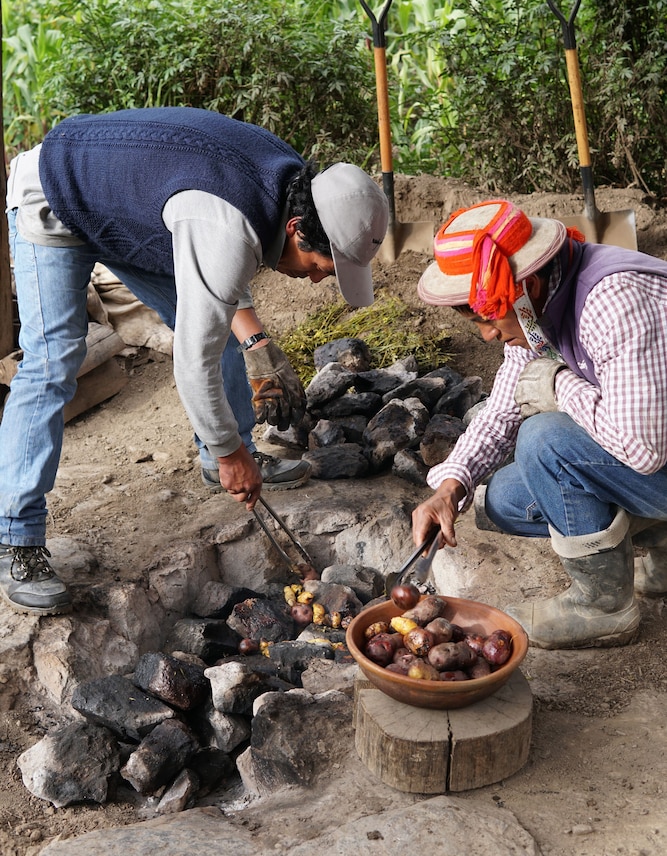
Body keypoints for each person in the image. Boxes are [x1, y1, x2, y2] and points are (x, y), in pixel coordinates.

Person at [0, 106, 389, 615]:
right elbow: (193, 358)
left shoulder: (293, 184)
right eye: (321, 265)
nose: (318, 279)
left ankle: (224, 456)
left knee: (216, 325)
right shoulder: (230, 224)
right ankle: (16, 539)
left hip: (126, 209)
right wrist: (231, 455)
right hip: (57, 191)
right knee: (53, 361)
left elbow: (219, 272)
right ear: (298, 228)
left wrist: (257, 345)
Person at [411, 198, 667, 650]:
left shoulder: (614, 301)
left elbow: (643, 449)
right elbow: (502, 410)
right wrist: (450, 487)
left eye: (489, 317)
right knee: (506, 499)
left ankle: (604, 607)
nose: (488, 334)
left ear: (526, 284)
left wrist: (560, 385)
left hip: (653, 451)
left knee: (543, 440)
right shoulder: (535, 309)